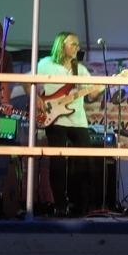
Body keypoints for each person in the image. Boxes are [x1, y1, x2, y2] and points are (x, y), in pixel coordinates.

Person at [24, 32, 104, 215]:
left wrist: (103, 88)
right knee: (57, 163)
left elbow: (91, 96)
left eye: (78, 45)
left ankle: (86, 206)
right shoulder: (46, 64)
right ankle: (60, 205)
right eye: (73, 44)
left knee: (87, 162)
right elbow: (26, 82)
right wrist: (36, 97)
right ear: (62, 45)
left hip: (78, 121)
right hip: (55, 119)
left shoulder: (80, 70)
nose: (78, 48)